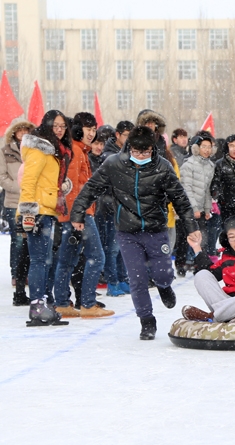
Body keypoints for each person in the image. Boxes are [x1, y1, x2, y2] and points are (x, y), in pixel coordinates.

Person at [71, 126, 200, 340]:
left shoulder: (163, 166)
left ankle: (163, 285)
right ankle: (146, 320)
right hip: (127, 231)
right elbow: (90, 189)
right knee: (137, 278)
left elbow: (180, 198)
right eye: (137, 151)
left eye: (146, 152)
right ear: (129, 147)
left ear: (153, 149)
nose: (141, 156)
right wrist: (77, 214)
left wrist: (192, 227)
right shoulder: (114, 164)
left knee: (163, 272)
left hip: (155, 229)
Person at [53, 112, 113, 319]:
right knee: (96, 256)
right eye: (88, 129)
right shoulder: (76, 151)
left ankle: (62, 303)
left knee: (67, 259)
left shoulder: (79, 150)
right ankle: (87, 303)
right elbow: (68, 187)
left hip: (75, 213)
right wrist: (77, 215)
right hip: (79, 214)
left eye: (94, 129)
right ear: (77, 129)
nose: (92, 133)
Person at [18, 110, 73, 326]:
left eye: (62, 126)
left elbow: (47, 180)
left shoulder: (55, 152)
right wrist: (28, 212)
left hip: (48, 210)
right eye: (55, 126)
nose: (59, 130)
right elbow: (29, 181)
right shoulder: (40, 150)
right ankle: (37, 306)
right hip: (38, 211)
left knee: (47, 260)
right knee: (40, 260)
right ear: (46, 126)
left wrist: (61, 186)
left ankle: (43, 302)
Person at [1, 120, 35, 306]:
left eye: (26, 131)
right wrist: (19, 187)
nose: (23, 133)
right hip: (14, 200)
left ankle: (26, 272)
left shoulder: (33, 151)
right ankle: (16, 273)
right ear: (14, 133)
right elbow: (2, 176)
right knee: (18, 239)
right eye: (20, 131)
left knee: (30, 238)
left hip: (31, 202)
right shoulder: (6, 151)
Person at [100, 121, 133, 290]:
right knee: (112, 247)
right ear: (118, 135)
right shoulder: (108, 154)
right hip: (111, 207)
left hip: (126, 207)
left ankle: (122, 279)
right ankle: (112, 282)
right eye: (126, 135)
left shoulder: (129, 154)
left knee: (123, 248)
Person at [180, 132, 216, 254]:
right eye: (204, 146)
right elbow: (186, 188)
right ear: (196, 148)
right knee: (187, 238)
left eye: (209, 147)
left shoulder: (210, 166)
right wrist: (194, 207)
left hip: (200, 209)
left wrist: (207, 209)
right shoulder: (188, 165)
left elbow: (207, 190)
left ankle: (200, 263)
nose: (207, 150)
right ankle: (183, 264)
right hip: (188, 208)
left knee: (202, 238)